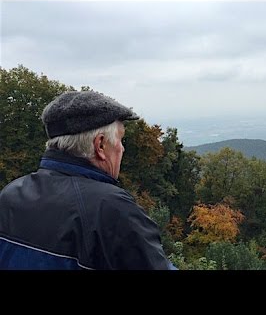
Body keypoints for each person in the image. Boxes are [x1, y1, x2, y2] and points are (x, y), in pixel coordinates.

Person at [0, 91, 176, 270]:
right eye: (120, 139)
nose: (122, 149)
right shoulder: (112, 210)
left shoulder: (10, 194)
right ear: (100, 145)